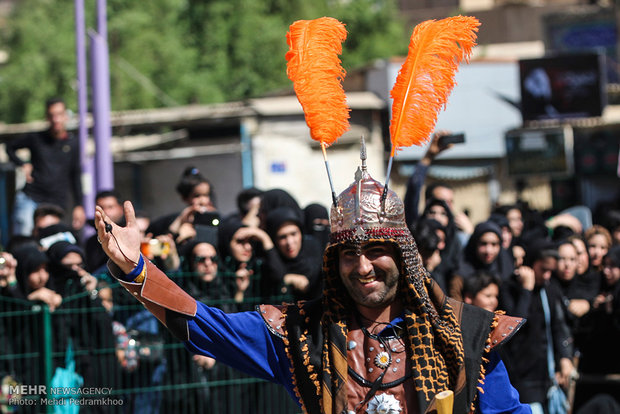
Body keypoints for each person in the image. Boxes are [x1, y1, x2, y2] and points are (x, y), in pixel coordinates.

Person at [94, 156, 530, 414]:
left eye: (376, 250)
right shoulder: (301, 333)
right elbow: (207, 327)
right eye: (348, 254)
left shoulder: (463, 334)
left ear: (402, 256)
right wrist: (136, 270)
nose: (362, 267)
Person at [5, 98, 85, 236]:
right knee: (23, 237)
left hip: (56, 201)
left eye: (59, 114)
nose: (56, 119)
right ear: (47, 117)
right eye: (52, 115)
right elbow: (9, 147)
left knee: (52, 239)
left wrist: (79, 205)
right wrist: (22, 164)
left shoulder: (73, 143)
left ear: (66, 116)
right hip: (31, 197)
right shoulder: (37, 138)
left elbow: (75, 174)